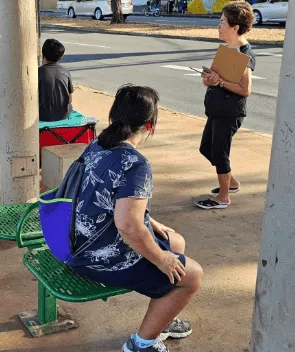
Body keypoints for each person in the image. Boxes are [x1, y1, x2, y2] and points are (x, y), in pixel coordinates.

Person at [66, 85, 203, 352]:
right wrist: (161, 259)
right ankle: (141, 345)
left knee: (175, 242)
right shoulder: (135, 163)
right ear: (149, 126)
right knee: (193, 276)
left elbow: (109, 201)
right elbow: (128, 226)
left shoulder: (98, 145)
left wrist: (150, 222)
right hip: (94, 257)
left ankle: (164, 320)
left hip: (76, 242)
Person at [195, 1, 256, 210]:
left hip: (229, 112)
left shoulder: (243, 54)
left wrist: (220, 82)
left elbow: (245, 89)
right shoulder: (227, 48)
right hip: (216, 110)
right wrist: (209, 79)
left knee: (220, 153)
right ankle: (232, 183)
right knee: (206, 148)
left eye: (222, 22)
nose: (218, 26)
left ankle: (223, 198)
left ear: (235, 27)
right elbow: (212, 77)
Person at [38, 38, 74, 122]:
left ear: (43, 54)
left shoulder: (37, 73)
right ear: (61, 57)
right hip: (64, 114)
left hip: (42, 116)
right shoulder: (65, 72)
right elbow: (70, 98)